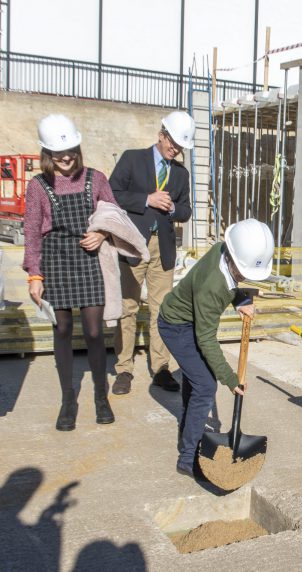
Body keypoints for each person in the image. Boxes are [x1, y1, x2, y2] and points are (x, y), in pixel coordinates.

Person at [23, 114, 118, 430]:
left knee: (94, 332)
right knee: (62, 330)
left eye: (70, 151)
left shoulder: (96, 178)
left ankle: (101, 397)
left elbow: (114, 215)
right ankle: (68, 400)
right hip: (55, 262)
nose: (65, 158)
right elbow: (32, 231)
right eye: (57, 153)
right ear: (46, 153)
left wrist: (102, 233)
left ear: (78, 148)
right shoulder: (38, 185)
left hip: (89, 261)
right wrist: (34, 275)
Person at [158, 219, 274, 477]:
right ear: (232, 255)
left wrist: (240, 298)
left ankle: (187, 432)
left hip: (190, 320)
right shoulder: (213, 287)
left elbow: (229, 284)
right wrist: (229, 378)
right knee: (205, 386)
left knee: (196, 379)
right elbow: (206, 339)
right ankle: (188, 458)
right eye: (242, 272)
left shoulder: (224, 249)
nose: (243, 277)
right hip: (176, 326)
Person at [110, 111, 195, 395]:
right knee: (128, 307)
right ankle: (124, 368)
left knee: (162, 310)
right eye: (173, 143)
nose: (176, 149)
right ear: (161, 135)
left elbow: (186, 210)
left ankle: (161, 368)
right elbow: (112, 193)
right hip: (133, 244)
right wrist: (147, 199)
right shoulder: (132, 159)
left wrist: (172, 208)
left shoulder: (181, 174)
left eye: (180, 146)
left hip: (164, 248)